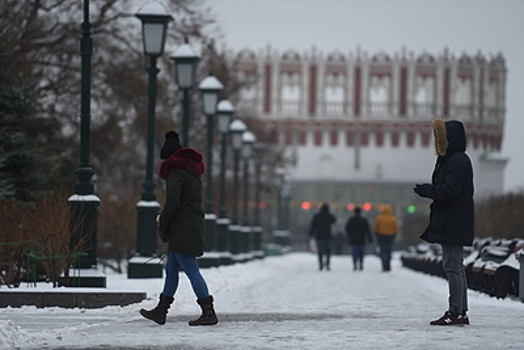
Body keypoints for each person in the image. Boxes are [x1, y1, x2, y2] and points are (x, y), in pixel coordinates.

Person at [140, 131, 218, 326]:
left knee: (191, 268)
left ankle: (208, 312)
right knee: (171, 268)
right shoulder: (192, 173)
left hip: (183, 227)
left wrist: (163, 221)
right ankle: (161, 311)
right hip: (189, 224)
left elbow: (173, 200)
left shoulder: (176, 172)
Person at [413, 118, 474, 326]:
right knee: (455, 266)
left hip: (454, 220)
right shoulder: (451, 160)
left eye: (440, 137)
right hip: (453, 219)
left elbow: (450, 190)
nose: (437, 141)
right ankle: (459, 310)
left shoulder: (457, 160)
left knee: (453, 267)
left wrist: (427, 190)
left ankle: (457, 312)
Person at [309, 203, 337, 271]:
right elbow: (334, 220)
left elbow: (313, 225)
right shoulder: (329, 216)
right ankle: (327, 264)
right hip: (328, 235)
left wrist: (311, 234)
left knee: (320, 251)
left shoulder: (317, 216)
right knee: (328, 250)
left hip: (319, 235)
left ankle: (321, 264)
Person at [345, 206, 373, 271]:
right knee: (361, 252)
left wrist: (349, 235)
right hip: (361, 238)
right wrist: (370, 238)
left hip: (354, 239)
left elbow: (347, 228)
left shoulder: (351, 220)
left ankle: (355, 264)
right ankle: (361, 263)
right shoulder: (363, 220)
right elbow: (367, 230)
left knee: (355, 252)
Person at [373, 205, 398, 272]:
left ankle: (384, 265)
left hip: (381, 236)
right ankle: (388, 265)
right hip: (390, 237)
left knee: (383, 251)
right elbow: (396, 229)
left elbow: (376, 228)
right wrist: (394, 235)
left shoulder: (379, 218)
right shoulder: (393, 219)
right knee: (389, 251)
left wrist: (377, 234)